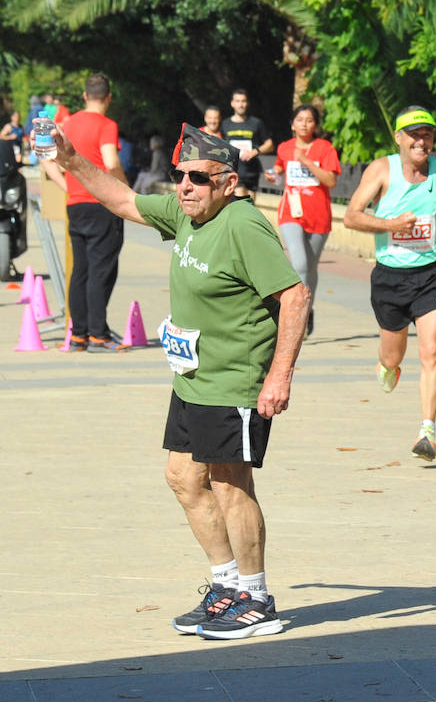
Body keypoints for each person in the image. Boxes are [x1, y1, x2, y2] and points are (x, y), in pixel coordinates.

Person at [47, 120, 308, 639]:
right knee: (183, 478)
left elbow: (294, 297)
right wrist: (71, 159)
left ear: (229, 183)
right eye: (179, 175)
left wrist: (279, 377)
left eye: (199, 178)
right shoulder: (188, 214)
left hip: (234, 382)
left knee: (230, 485)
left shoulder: (242, 226)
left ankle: (256, 601)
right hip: (192, 379)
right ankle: (227, 587)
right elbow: (122, 200)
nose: (185, 186)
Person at [343, 107, 436, 462]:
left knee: (431, 350)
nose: (421, 141)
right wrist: (391, 225)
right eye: (413, 134)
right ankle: (388, 366)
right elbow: (352, 216)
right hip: (390, 277)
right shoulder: (382, 170)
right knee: (393, 355)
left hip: (431, 275)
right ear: (399, 138)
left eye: (427, 134)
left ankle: (427, 429)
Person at [38, 73, 127, 351]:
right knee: (102, 270)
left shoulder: (68, 123)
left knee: (81, 270)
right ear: (109, 98)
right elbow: (111, 162)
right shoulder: (107, 124)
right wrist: (125, 189)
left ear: (85, 96)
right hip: (103, 203)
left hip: (75, 204)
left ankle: (79, 334)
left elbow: (44, 156)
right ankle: (98, 334)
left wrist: (65, 184)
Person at [273, 105, 340, 338]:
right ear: (292, 124)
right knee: (299, 262)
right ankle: (294, 314)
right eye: (299, 120)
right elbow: (279, 168)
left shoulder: (325, 148)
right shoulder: (284, 147)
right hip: (290, 212)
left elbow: (330, 180)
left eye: (309, 120)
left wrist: (307, 162)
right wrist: (274, 175)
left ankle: (307, 309)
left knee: (310, 267)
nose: (304, 124)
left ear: (315, 125)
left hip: (319, 214)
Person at [224, 89, 272, 199]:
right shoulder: (225, 124)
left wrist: (255, 152)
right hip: (234, 170)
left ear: (247, 103)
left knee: (250, 204)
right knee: (240, 202)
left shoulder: (256, 123)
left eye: (243, 101)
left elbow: (270, 144)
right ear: (232, 103)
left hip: (251, 171)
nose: (240, 105)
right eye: (237, 101)